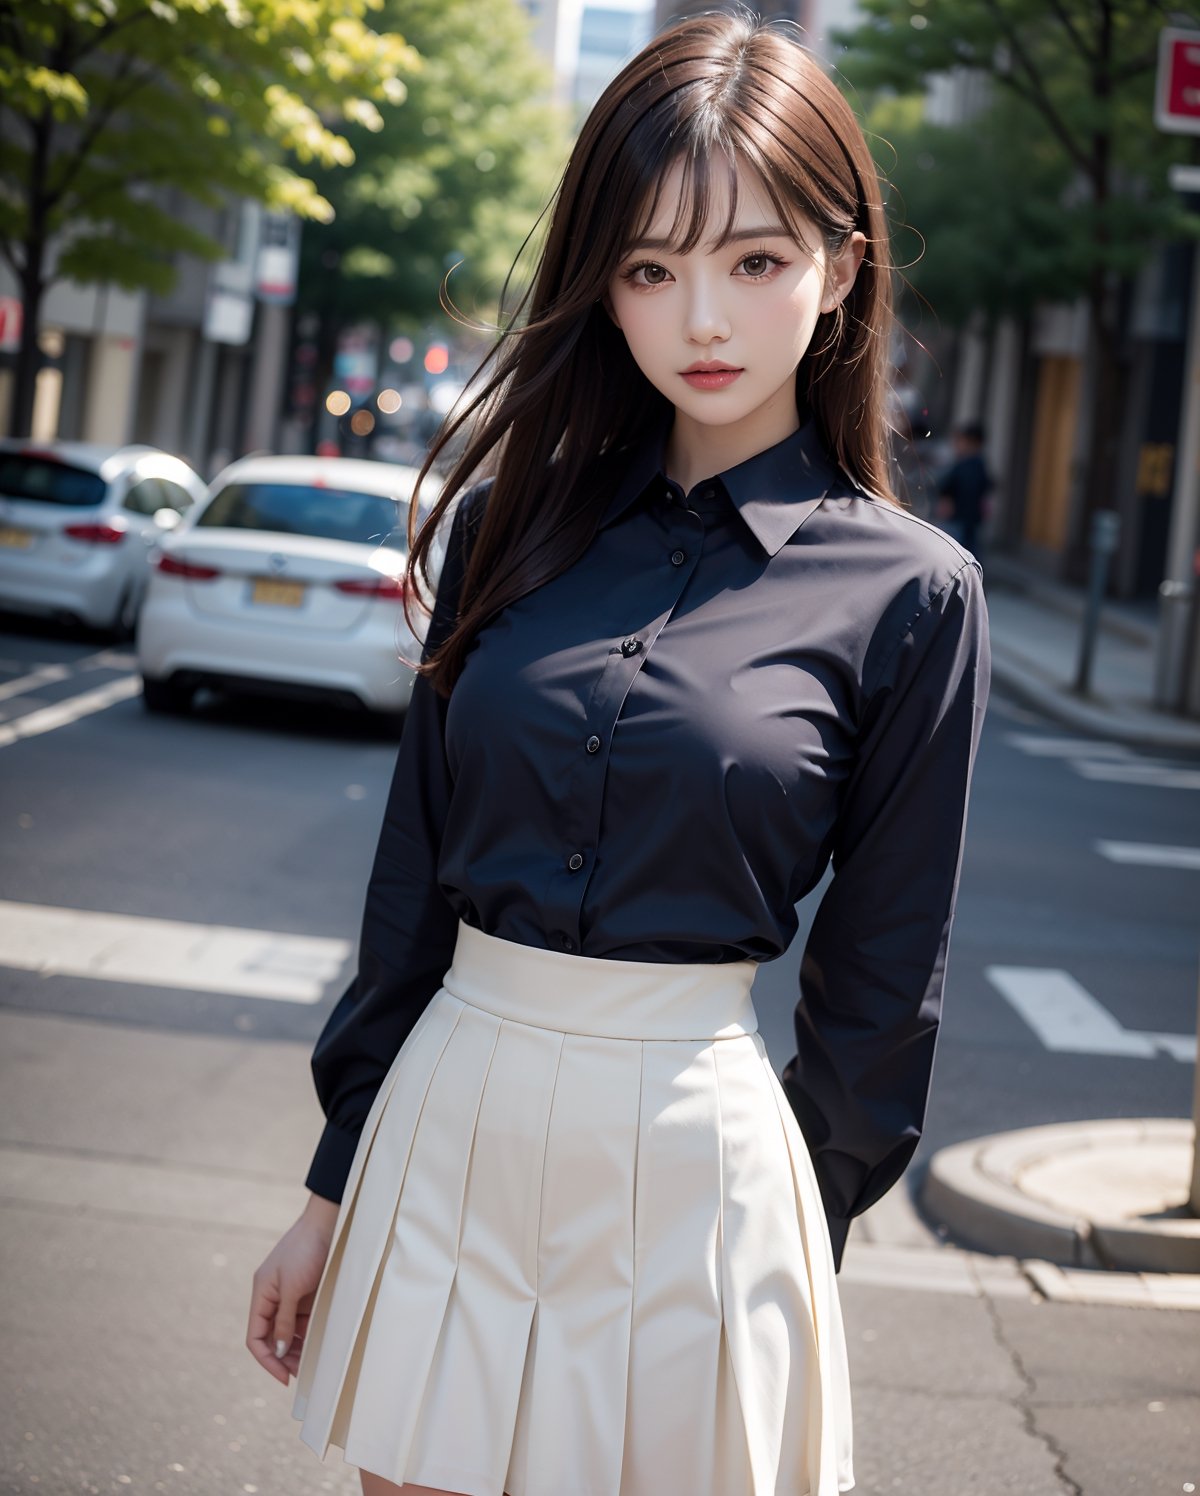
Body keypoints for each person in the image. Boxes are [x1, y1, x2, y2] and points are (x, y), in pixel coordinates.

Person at [246, 14, 991, 1496]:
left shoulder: (911, 593)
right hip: (450, 1115)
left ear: (841, 268)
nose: (700, 320)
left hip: (701, 1170)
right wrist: (332, 1188)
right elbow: (412, 891)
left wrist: (797, 1239)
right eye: (651, 269)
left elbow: (880, 981)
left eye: (754, 262)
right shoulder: (509, 535)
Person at [935, 421, 993, 559]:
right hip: (969, 519)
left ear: (971, 442)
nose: (956, 445)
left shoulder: (968, 465)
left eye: (960, 441)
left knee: (956, 554)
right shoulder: (978, 464)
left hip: (959, 518)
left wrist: (947, 499)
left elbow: (952, 487)